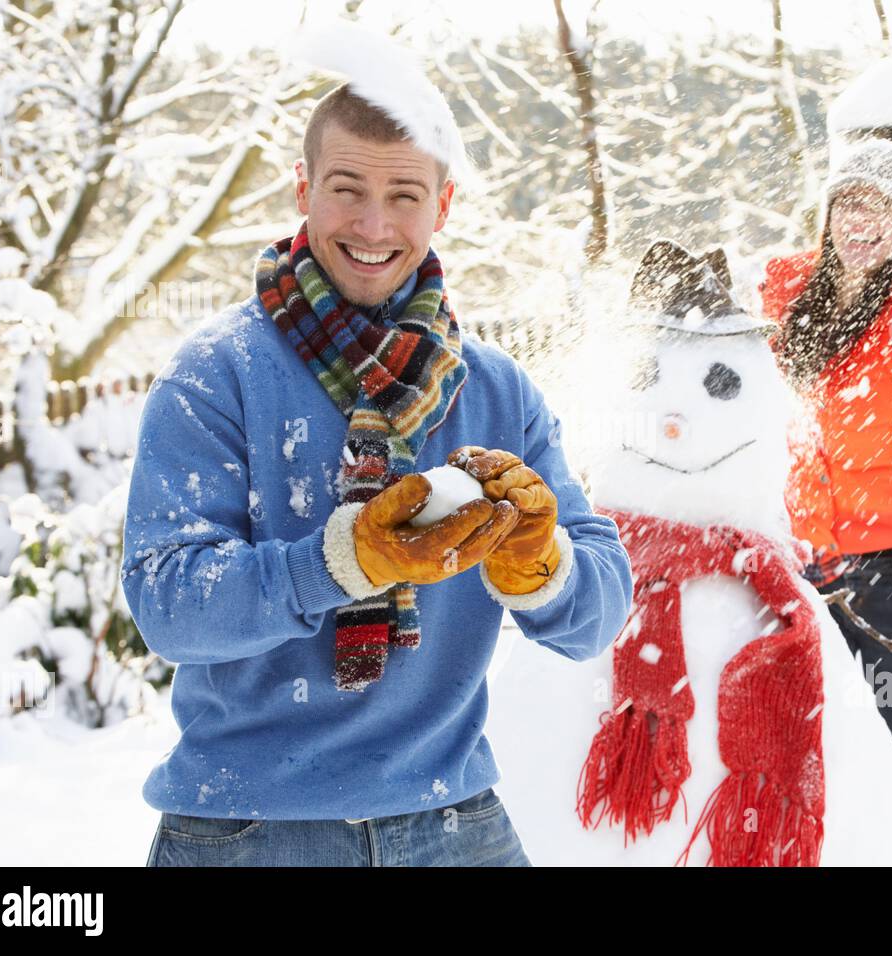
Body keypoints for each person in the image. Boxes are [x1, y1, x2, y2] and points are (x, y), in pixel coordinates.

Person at [121, 65, 633, 866]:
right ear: (303, 189)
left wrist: (541, 562)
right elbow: (167, 602)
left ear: (443, 204)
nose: (372, 224)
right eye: (346, 189)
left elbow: (598, 615)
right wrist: (344, 560)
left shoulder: (493, 389)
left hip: (452, 820)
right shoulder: (215, 375)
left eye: (403, 196)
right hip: (251, 831)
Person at [758, 138, 892, 867]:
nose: (863, 220)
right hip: (793, 570)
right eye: (851, 201)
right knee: (791, 758)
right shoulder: (783, 293)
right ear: (826, 212)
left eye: (883, 208)